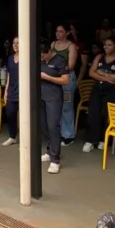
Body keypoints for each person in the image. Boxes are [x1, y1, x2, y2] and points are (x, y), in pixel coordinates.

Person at [82, 37, 115, 153]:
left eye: (110, 45)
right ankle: (91, 140)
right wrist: (105, 76)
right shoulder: (99, 57)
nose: (106, 47)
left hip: (111, 90)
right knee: (93, 112)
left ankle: (104, 139)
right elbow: (91, 72)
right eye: (105, 45)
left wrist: (100, 72)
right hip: (97, 88)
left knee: (107, 114)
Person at [40, 39, 70, 174]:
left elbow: (66, 80)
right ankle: (49, 151)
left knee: (53, 126)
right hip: (40, 97)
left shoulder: (60, 60)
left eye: (43, 56)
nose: (41, 58)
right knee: (44, 126)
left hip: (54, 97)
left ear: (49, 52)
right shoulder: (40, 60)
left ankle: (55, 160)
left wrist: (47, 77)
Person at [49, 25, 79, 146]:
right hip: (55, 77)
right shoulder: (53, 44)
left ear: (67, 33)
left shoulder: (71, 46)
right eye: (57, 31)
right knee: (55, 105)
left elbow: (71, 65)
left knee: (67, 105)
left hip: (67, 77)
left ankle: (68, 135)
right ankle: (58, 132)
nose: (58, 33)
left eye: (61, 31)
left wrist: (57, 68)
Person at [2, 37, 21, 147]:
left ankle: (25, 140)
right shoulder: (10, 58)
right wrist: (6, 90)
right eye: (14, 43)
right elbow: (9, 75)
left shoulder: (26, 57)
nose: (15, 45)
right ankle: (12, 137)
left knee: (24, 117)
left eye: (18, 43)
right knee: (10, 113)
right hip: (12, 90)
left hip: (23, 91)